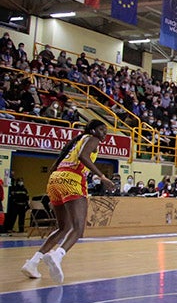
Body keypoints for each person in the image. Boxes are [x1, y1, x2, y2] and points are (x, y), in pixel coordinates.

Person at [20, 120, 115, 282]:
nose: (104, 133)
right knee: (78, 228)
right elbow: (83, 157)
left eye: (106, 130)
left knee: (63, 227)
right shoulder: (92, 139)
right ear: (93, 130)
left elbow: (56, 166)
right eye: (101, 129)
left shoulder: (76, 141)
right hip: (72, 179)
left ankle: (33, 262)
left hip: (55, 179)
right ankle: (57, 255)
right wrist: (103, 177)